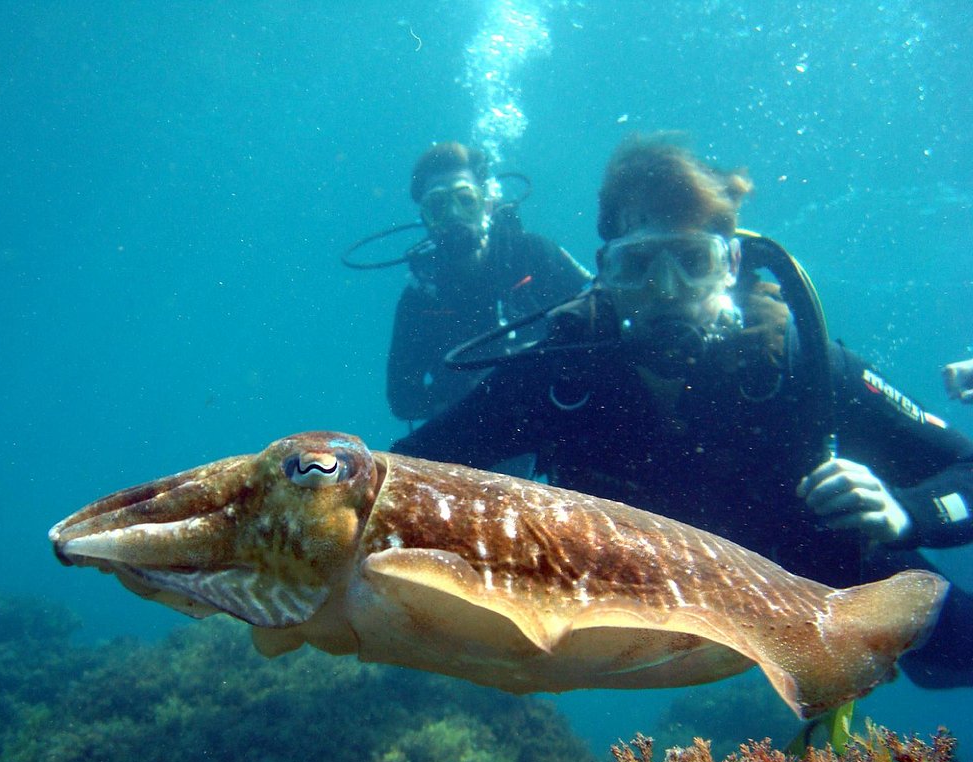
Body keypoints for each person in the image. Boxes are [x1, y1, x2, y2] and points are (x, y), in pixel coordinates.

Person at [394, 134, 973, 689]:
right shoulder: (556, 377)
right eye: (639, 264)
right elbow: (399, 474)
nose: (667, 290)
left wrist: (908, 512)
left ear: (731, 265)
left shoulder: (800, 369)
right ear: (605, 272)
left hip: (812, 592)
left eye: (692, 261)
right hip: (631, 629)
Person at [386, 142, 590, 423]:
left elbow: (599, 323)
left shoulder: (535, 254)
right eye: (438, 206)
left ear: (488, 205)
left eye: (465, 200)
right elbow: (402, 401)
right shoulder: (420, 298)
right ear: (426, 219)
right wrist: (464, 395)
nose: (454, 215)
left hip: (557, 412)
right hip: (477, 427)